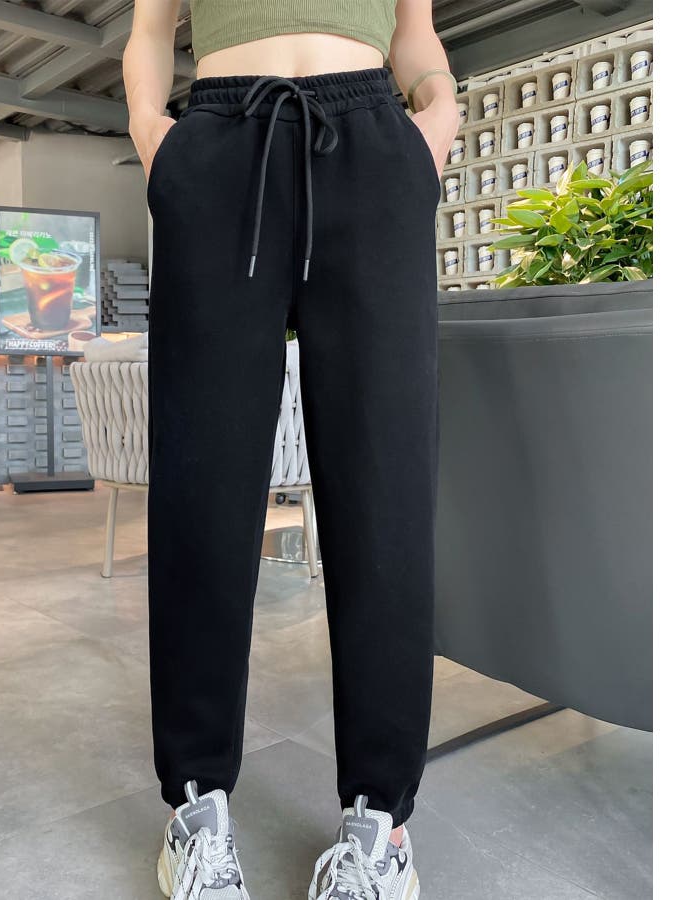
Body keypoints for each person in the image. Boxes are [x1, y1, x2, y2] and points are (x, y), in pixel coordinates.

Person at [122, 1, 458, 897]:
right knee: (203, 482)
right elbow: (151, 27)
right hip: (220, 145)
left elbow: (413, 26)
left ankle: (381, 822)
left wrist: (439, 112)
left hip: (373, 144)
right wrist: (154, 133)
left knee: (385, 489)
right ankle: (195, 803)